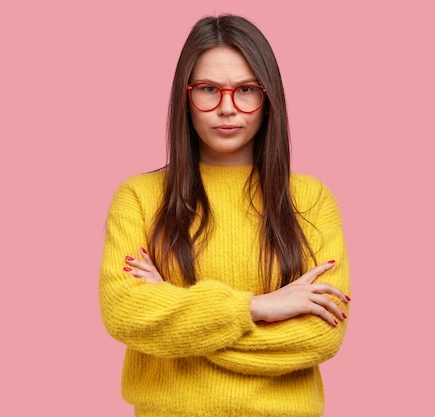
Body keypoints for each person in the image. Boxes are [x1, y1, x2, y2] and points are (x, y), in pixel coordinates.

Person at [99, 14, 351, 417]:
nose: (227, 108)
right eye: (208, 90)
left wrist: (180, 322)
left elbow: (320, 337)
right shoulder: (140, 197)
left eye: (246, 90)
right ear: (186, 97)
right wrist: (258, 308)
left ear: (268, 100)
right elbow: (125, 314)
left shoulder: (311, 200)